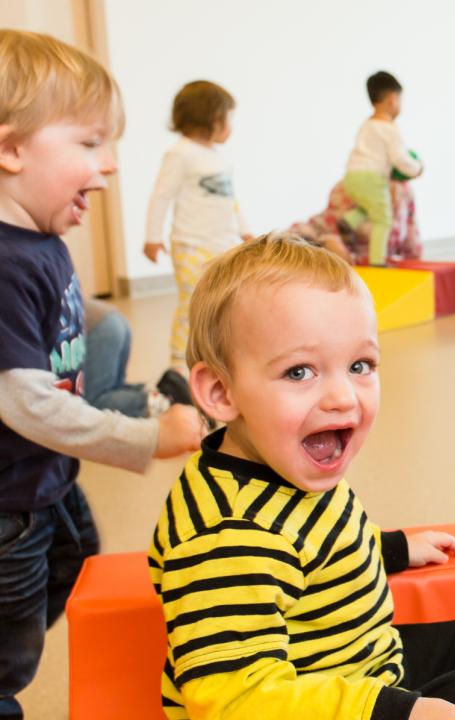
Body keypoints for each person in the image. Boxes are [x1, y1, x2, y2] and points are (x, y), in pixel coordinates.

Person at [154, 234, 455, 719]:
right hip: (313, 705)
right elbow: (237, 701)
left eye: (359, 365)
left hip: (353, 664)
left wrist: (392, 547)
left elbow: (315, 538)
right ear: (222, 392)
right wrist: (402, 713)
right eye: (299, 373)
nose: (342, 397)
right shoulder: (226, 536)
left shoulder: (284, 461)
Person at [0, 29, 203, 718]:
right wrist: (143, 436)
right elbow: (26, 402)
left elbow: (66, 308)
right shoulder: (3, 262)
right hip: (10, 501)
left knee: (78, 556)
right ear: (11, 149)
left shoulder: (39, 239)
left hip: (44, 481)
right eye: (88, 144)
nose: (108, 165)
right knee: (8, 654)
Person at [143, 80, 252, 373]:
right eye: (228, 118)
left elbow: (231, 200)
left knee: (224, 300)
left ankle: (218, 352)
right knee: (192, 302)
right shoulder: (181, 154)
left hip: (223, 242)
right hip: (191, 243)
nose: (231, 126)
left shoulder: (218, 158)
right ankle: (179, 362)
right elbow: (161, 195)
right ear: (212, 118)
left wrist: (244, 229)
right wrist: (152, 237)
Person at [343, 71, 423, 267]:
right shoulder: (390, 129)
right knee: (383, 219)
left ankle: (348, 221)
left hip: (352, 176)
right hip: (371, 177)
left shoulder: (368, 125)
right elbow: (400, 159)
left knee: (369, 206)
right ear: (392, 99)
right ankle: (377, 262)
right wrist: (417, 169)